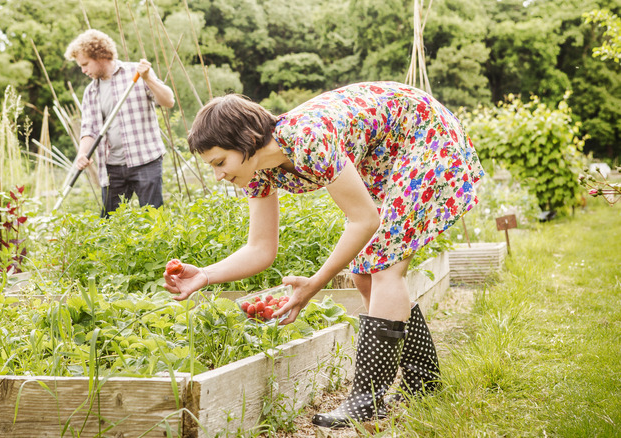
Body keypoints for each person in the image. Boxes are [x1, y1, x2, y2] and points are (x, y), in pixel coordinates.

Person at [163, 82, 484, 427]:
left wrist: (315, 283)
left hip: (425, 134)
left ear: (246, 141)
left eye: (220, 161)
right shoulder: (257, 171)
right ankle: (423, 381)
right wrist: (205, 275)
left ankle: (366, 400)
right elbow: (260, 249)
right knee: (364, 271)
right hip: (387, 152)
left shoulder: (307, 139)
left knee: (383, 265)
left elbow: (365, 220)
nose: (218, 174)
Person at [64, 29, 175, 216]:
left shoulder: (137, 74)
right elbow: (89, 130)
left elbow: (168, 101)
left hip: (145, 160)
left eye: (85, 64)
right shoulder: (91, 92)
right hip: (112, 168)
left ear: (99, 55)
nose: (83, 71)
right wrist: (83, 153)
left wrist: (148, 78)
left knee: (154, 220)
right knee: (109, 224)